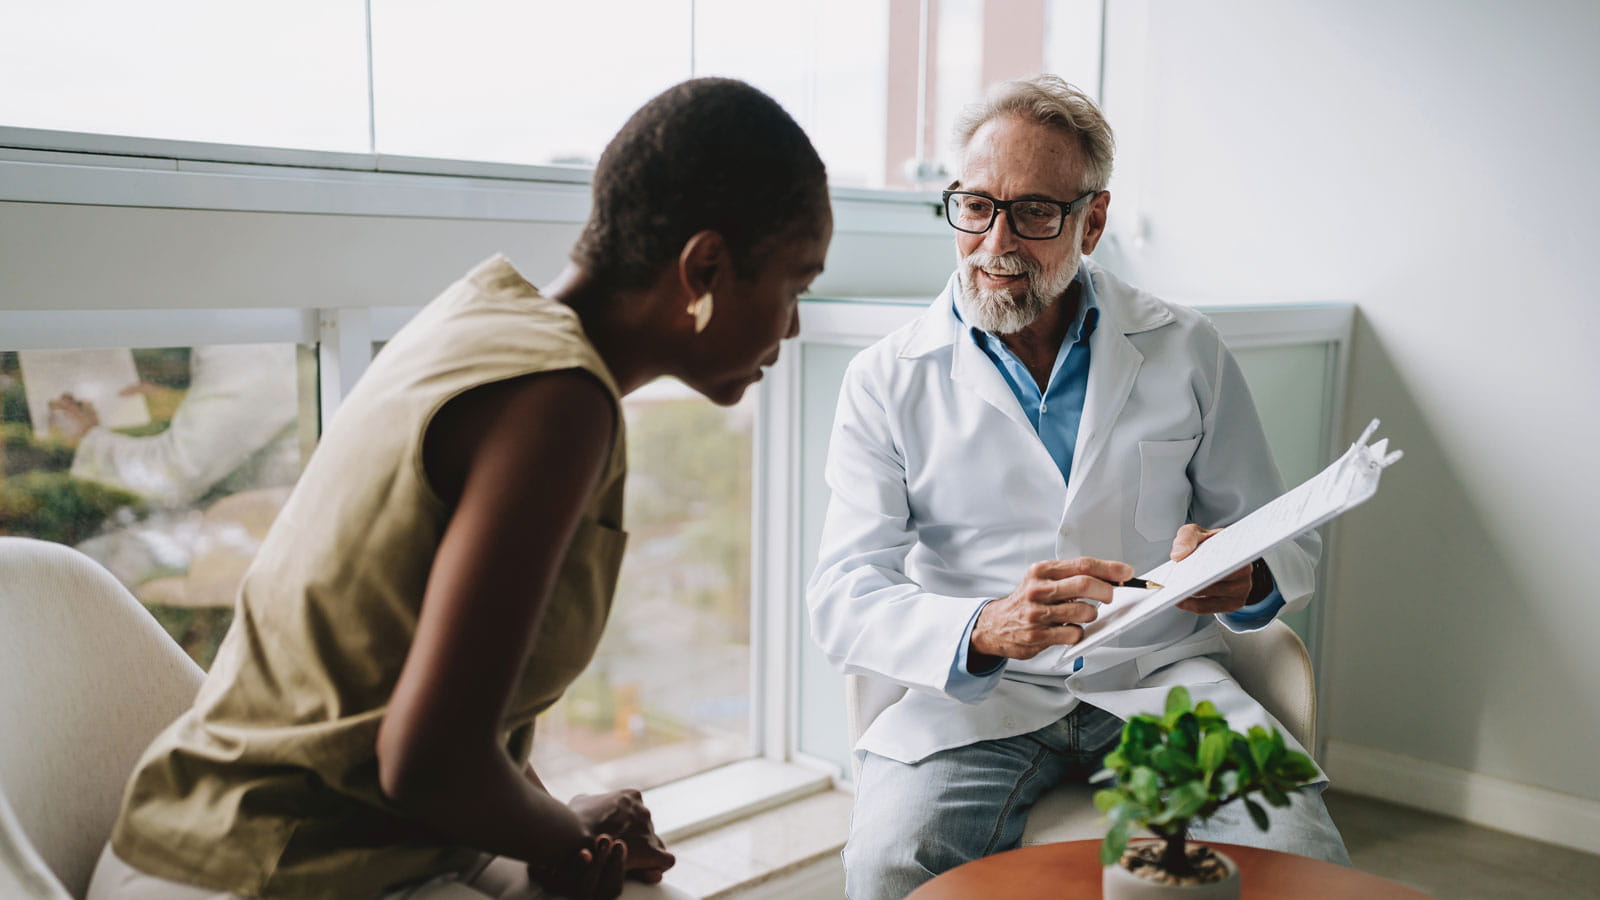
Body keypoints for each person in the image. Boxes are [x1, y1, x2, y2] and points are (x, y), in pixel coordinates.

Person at [86, 76, 832, 900]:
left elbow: (446, 703)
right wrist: (572, 836)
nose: (793, 327)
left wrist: (552, 818)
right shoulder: (560, 403)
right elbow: (428, 761)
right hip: (261, 869)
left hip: (329, 834)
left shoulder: (487, 315)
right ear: (706, 266)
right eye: (795, 286)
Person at [806, 75, 1348, 900]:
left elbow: (1275, 533)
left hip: (1157, 678)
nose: (996, 243)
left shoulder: (1186, 347)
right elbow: (843, 593)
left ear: (1092, 220)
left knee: (1301, 857)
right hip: (980, 700)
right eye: (976, 207)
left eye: (1034, 213)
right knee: (889, 864)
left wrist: (1246, 575)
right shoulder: (886, 378)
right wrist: (986, 627)